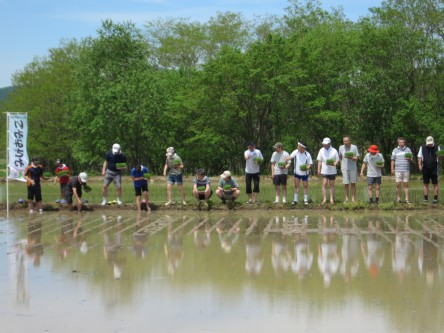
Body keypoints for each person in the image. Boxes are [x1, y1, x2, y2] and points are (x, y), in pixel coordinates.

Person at [417, 136, 440, 204]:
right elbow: (419, 157)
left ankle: (435, 198)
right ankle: (425, 199)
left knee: (435, 183)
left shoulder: (437, 147)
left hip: (434, 167)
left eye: (430, 143)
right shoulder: (422, 147)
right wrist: (419, 165)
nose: (429, 144)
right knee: (425, 183)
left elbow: (439, 156)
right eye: (428, 143)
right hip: (425, 167)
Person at [317, 138, 339, 204]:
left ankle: (331, 199)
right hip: (324, 170)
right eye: (324, 144)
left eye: (326, 144)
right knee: (324, 183)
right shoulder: (321, 150)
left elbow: (337, 160)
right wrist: (318, 169)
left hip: (332, 170)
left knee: (331, 184)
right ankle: (324, 199)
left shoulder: (334, 150)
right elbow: (320, 160)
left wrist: (335, 163)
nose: (324, 145)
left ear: (329, 144)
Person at [390, 137, 412, 203]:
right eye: (400, 142)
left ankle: (406, 199)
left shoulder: (408, 149)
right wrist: (392, 169)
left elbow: (411, 159)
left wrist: (409, 159)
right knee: (398, 184)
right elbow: (392, 160)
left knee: (406, 184)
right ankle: (398, 199)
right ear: (398, 143)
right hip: (397, 170)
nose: (401, 143)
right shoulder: (395, 150)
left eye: (402, 142)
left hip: (406, 169)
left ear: (404, 143)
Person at [339, 136, 360, 203]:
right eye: (344, 141)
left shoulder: (354, 147)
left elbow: (357, 157)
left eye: (346, 141)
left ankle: (353, 199)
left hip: (353, 168)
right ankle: (346, 199)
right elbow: (340, 157)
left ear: (349, 141)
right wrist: (341, 166)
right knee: (346, 184)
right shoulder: (341, 147)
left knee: (353, 183)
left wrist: (352, 158)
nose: (345, 142)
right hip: (344, 168)